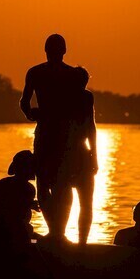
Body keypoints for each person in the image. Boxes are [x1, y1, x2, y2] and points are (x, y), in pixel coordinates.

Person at [19, 34, 79, 241]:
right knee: (46, 182)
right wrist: (31, 114)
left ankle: (58, 231)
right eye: (51, 50)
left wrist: (31, 113)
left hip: (64, 136)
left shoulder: (70, 75)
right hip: (48, 133)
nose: (53, 53)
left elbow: (80, 108)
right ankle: (55, 230)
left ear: (62, 51)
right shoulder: (36, 73)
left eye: (56, 49)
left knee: (61, 184)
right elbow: (24, 101)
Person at [63, 66, 99, 245]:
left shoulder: (86, 97)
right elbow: (90, 127)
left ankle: (82, 242)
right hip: (66, 154)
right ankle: (68, 239)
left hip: (78, 153)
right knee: (70, 200)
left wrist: (94, 155)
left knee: (85, 202)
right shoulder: (65, 96)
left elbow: (90, 126)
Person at [0, 150, 37, 244]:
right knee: (32, 238)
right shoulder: (29, 188)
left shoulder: (3, 182)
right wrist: (30, 204)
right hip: (17, 228)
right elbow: (15, 207)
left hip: (5, 225)